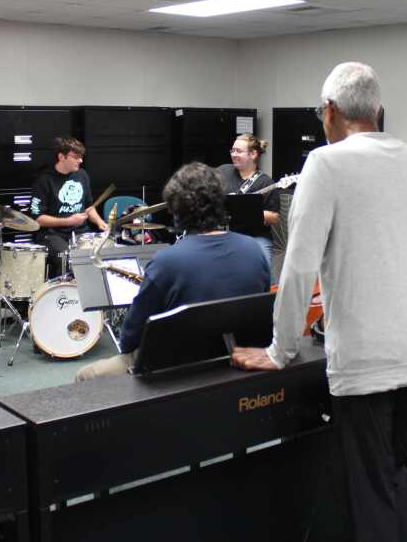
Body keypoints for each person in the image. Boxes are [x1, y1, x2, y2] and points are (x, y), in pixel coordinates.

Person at [232, 62, 407, 542]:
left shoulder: (326, 163)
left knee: (368, 487)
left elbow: (298, 264)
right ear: (377, 110)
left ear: (329, 112)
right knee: (394, 471)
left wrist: (279, 350)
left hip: (366, 355)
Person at [75, 162, 270, 381]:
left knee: (85, 375)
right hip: (233, 356)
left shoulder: (167, 261)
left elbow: (131, 337)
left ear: (177, 211)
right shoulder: (253, 249)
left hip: (174, 366)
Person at [30, 137, 108, 278]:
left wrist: (99, 222)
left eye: (81, 157)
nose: (80, 161)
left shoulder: (82, 175)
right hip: (53, 234)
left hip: (80, 233)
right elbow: (38, 218)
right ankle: (65, 296)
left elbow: (88, 206)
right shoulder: (44, 180)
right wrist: (69, 221)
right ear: (61, 157)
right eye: (76, 157)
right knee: (66, 258)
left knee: (102, 252)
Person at [216, 133, 279, 268]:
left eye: (239, 151)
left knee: (263, 267)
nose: (234, 154)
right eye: (232, 150)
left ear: (253, 154)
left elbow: (274, 217)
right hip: (225, 233)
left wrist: (245, 212)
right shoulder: (223, 171)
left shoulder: (265, 182)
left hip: (256, 237)